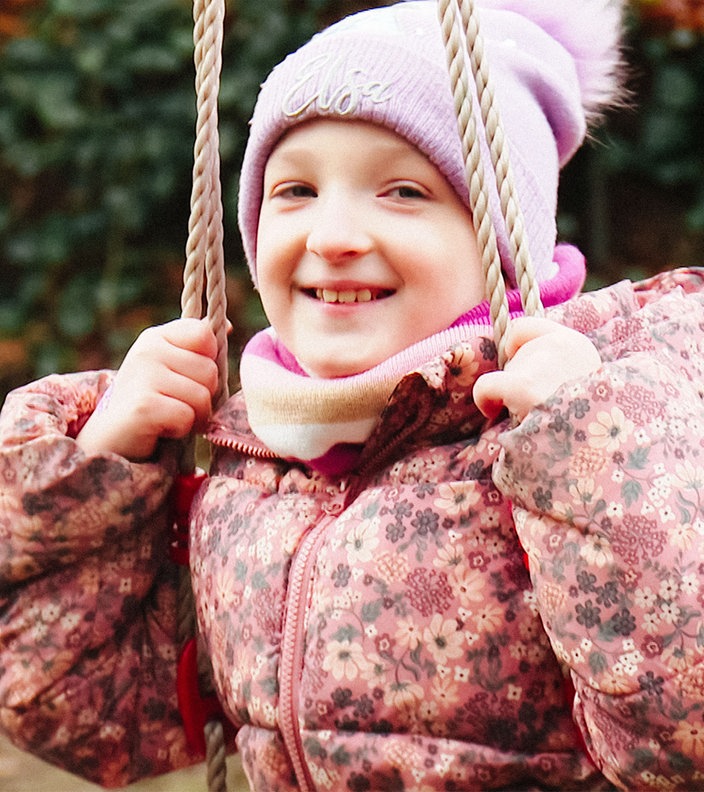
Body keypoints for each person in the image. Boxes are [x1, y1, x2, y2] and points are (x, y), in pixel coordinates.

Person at [2, 0, 704, 789]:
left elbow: (681, 738)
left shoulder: (596, 424)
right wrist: (94, 472)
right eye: (295, 191)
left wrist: (589, 448)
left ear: (503, 244)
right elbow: (93, 714)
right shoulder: (251, 460)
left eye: (403, 192)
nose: (331, 235)